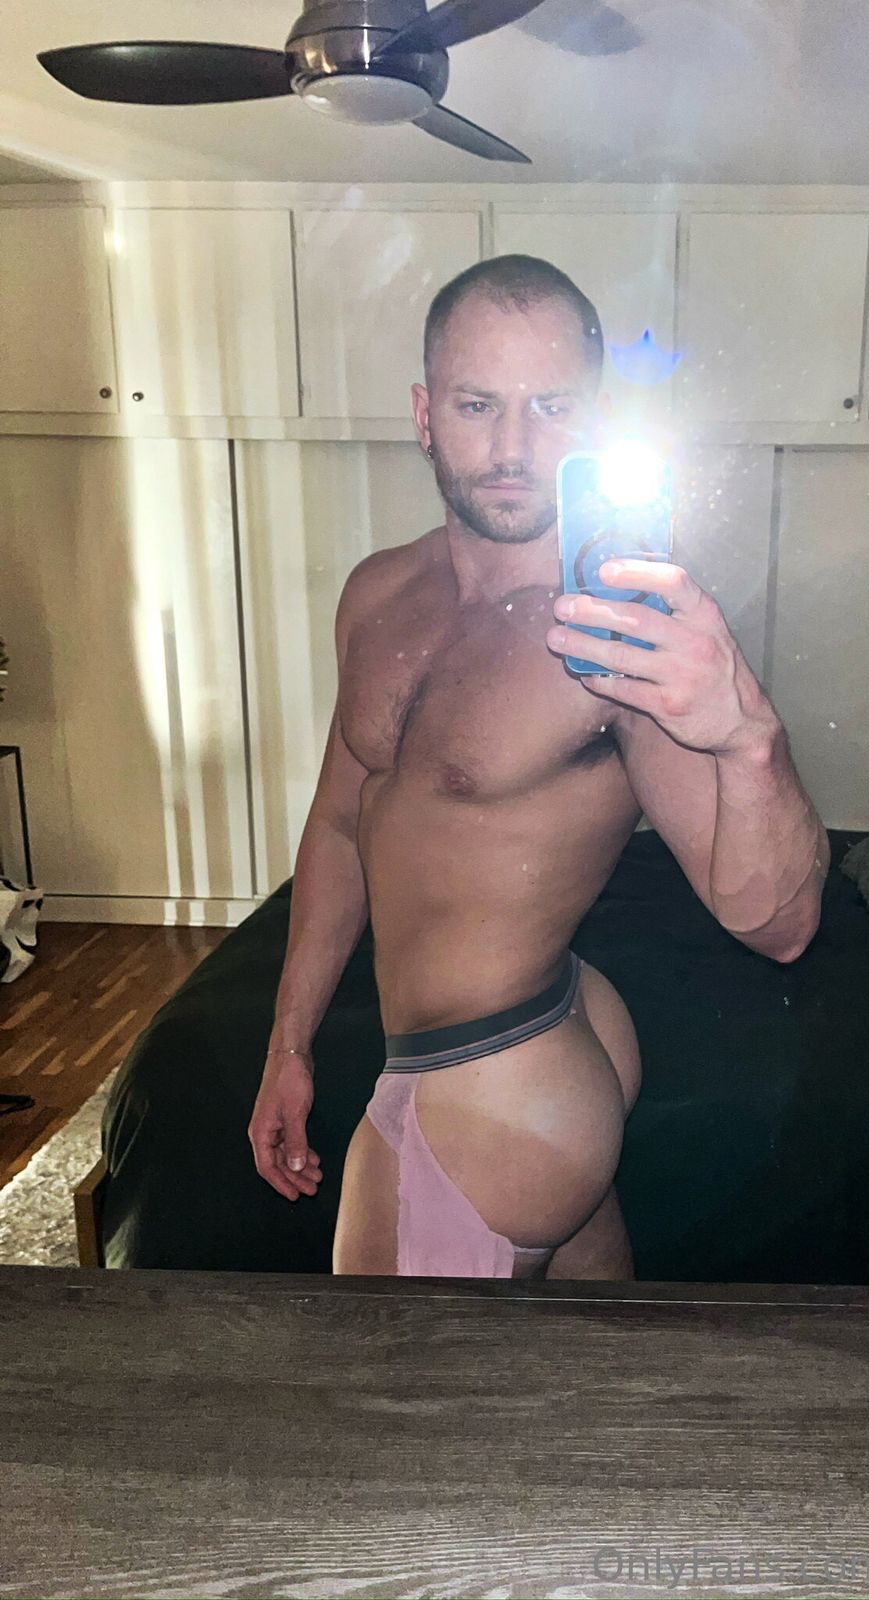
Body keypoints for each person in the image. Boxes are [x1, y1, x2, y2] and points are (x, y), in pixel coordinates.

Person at [248, 254, 830, 1280]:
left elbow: (778, 926)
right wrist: (288, 1043)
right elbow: (341, 822)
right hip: (557, 1022)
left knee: (381, 1377)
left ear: (592, 420)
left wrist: (750, 739)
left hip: (495, 1081)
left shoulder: (618, 629)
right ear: (425, 414)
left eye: (552, 407)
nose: (514, 448)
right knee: (585, 1371)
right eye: (479, 405)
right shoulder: (377, 594)